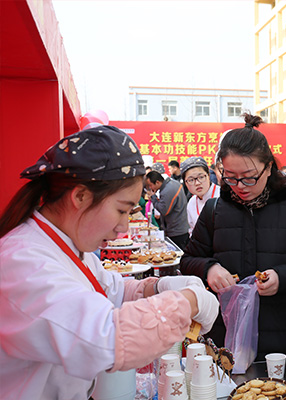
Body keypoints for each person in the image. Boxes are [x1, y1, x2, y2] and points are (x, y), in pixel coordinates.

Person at [0, 126, 219, 399]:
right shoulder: (23, 261)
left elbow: (111, 291)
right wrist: (188, 302)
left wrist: (157, 287)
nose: (123, 226)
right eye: (120, 210)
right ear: (80, 197)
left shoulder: (66, 246)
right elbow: (107, 338)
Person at [180, 113, 286, 360]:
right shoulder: (214, 210)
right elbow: (187, 260)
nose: (240, 186)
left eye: (249, 177)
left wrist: (282, 278)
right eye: (230, 177)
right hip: (226, 338)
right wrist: (209, 269)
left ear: (269, 167)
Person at [145, 171, 190, 250]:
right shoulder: (173, 183)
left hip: (176, 230)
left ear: (157, 182)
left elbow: (164, 210)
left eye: (150, 185)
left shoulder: (167, 190)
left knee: (178, 254)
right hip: (180, 226)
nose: (150, 188)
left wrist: (153, 198)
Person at [181, 156, 220, 235]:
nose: (197, 183)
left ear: (208, 176)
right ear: (186, 183)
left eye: (201, 177)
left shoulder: (221, 195)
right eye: (191, 180)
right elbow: (192, 231)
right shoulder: (191, 203)